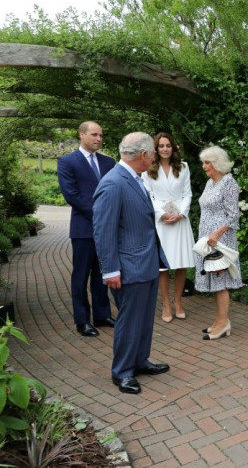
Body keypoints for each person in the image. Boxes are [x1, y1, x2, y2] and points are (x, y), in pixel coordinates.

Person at [93, 132, 171, 394]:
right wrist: (110, 270)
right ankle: (122, 371)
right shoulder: (114, 182)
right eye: (152, 154)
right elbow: (104, 230)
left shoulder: (134, 178)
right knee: (129, 320)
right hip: (128, 267)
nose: (153, 158)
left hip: (146, 262)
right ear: (143, 155)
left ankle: (139, 360)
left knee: (145, 318)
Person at [57, 121, 117, 337]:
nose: (99, 139)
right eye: (94, 134)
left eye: (101, 135)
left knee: (102, 274)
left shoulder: (109, 162)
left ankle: (102, 315)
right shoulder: (67, 162)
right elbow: (71, 195)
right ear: (82, 135)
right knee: (80, 276)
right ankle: (82, 320)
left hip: (107, 230)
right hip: (83, 229)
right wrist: (100, 214)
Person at [142, 132, 196, 323]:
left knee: (181, 263)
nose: (165, 149)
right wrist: (162, 214)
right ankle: (166, 304)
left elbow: (188, 193)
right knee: (163, 267)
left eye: (168, 146)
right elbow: (148, 196)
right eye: (161, 146)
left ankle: (178, 302)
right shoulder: (148, 169)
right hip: (161, 222)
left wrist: (181, 213)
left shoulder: (183, 167)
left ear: (173, 148)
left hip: (180, 219)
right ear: (155, 149)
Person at [196, 146, 242, 340]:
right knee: (214, 281)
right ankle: (219, 320)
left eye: (207, 162)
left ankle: (223, 323)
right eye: (203, 162)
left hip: (220, 239)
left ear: (217, 163)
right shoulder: (210, 183)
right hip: (208, 238)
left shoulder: (229, 183)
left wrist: (216, 234)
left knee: (220, 279)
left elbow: (233, 216)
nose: (204, 166)